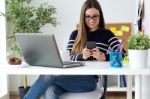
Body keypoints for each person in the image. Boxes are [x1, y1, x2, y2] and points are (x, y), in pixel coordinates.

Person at [24, 0, 126, 99]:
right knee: (51, 89)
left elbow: (124, 54)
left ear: (100, 16)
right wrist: (82, 56)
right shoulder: (75, 34)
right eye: (88, 17)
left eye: (95, 16)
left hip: (89, 80)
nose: (91, 20)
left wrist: (104, 56)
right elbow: (68, 57)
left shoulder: (107, 34)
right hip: (68, 76)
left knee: (49, 76)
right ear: (83, 17)